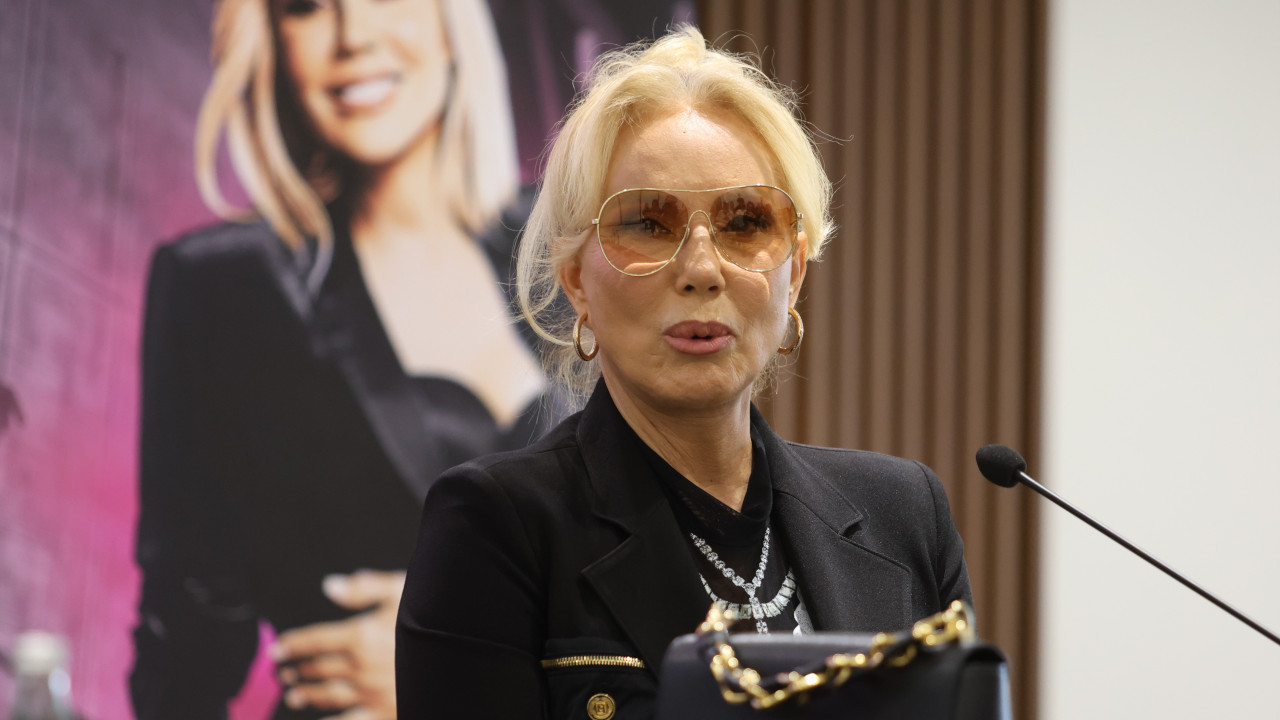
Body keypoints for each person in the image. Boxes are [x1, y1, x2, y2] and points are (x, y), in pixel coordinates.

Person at [395, 25, 973, 720]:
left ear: (792, 276)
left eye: (745, 223)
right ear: (576, 279)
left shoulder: (904, 515)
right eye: (648, 223)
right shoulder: (498, 525)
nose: (701, 269)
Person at [130, 0, 552, 718]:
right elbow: (185, 653)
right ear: (273, 42)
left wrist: (467, 660)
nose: (353, 35)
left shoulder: (570, 249)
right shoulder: (227, 283)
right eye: (306, 6)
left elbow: (677, 579)